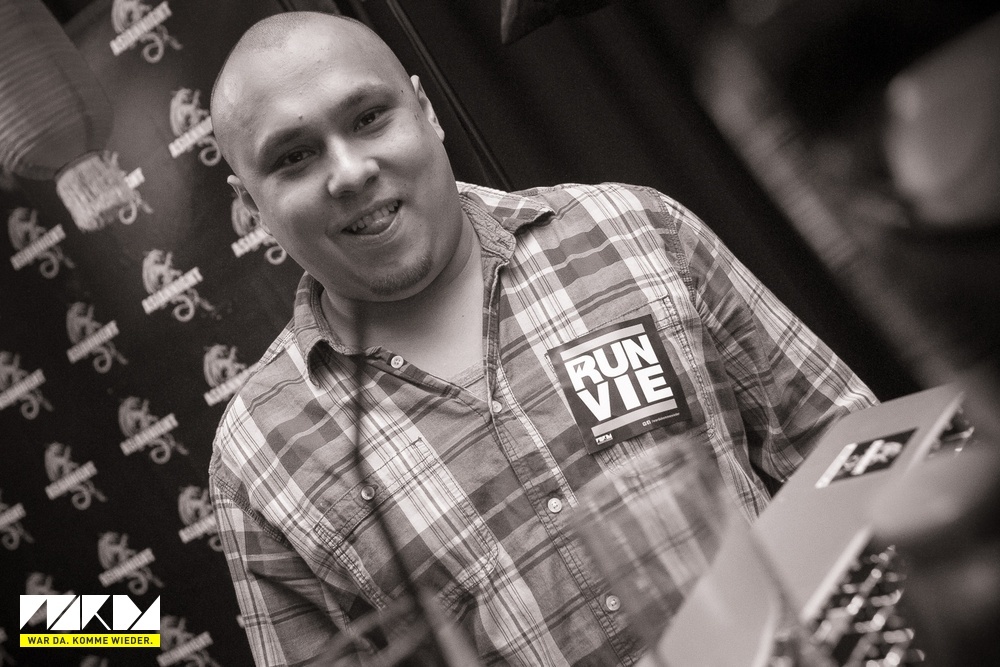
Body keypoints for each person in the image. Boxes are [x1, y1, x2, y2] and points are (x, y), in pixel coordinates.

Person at [208, 11, 877, 666]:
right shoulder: (258, 454)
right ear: (251, 207)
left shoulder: (633, 230)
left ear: (425, 111)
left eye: (368, 118)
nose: (351, 171)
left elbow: (851, 452)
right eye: (294, 157)